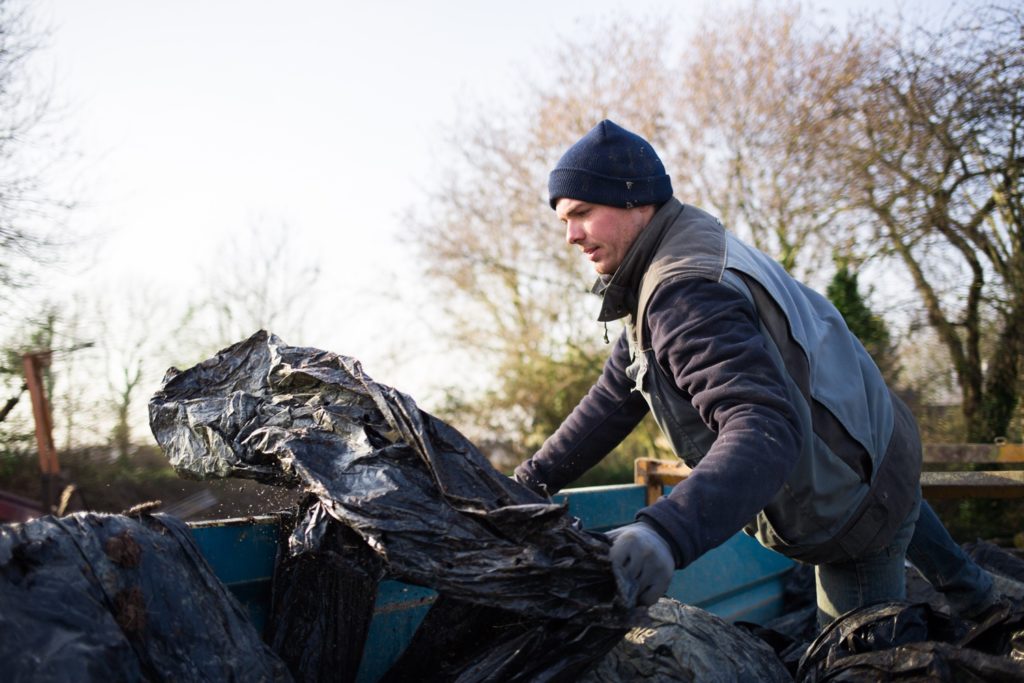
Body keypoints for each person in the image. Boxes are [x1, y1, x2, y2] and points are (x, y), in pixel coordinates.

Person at [514, 119, 995, 626]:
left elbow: (764, 426)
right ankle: (989, 608)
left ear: (634, 200)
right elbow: (616, 393)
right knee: (948, 562)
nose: (570, 235)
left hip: (853, 497)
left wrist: (665, 531)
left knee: (853, 661)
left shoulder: (683, 291)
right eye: (565, 220)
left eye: (582, 213)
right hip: (882, 440)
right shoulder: (674, 250)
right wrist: (528, 482)